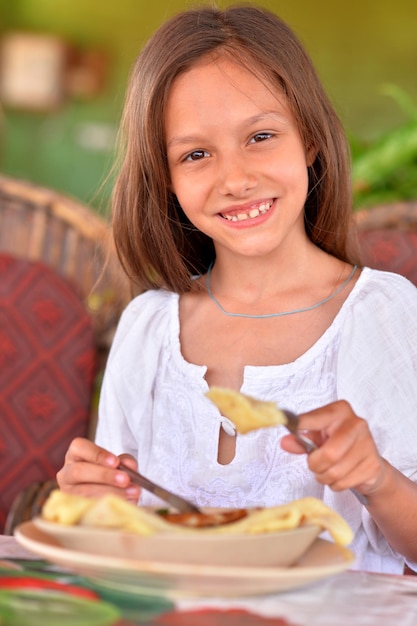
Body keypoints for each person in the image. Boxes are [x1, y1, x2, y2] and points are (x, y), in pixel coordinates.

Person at [57, 4, 417, 574]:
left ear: (311, 142)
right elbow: (119, 538)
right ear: (166, 180)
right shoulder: (148, 328)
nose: (235, 178)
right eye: (196, 154)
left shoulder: (380, 314)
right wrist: (92, 503)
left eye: (261, 136)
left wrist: (375, 476)